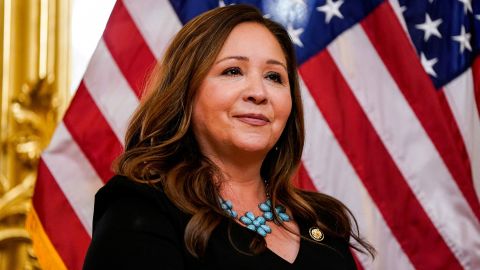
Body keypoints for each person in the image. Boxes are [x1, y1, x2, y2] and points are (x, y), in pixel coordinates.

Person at [83, 4, 374, 269]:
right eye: (233, 71)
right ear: (186, 93)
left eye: (274, 77)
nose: (259, 93)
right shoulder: (141, 207)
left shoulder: (323, 220)